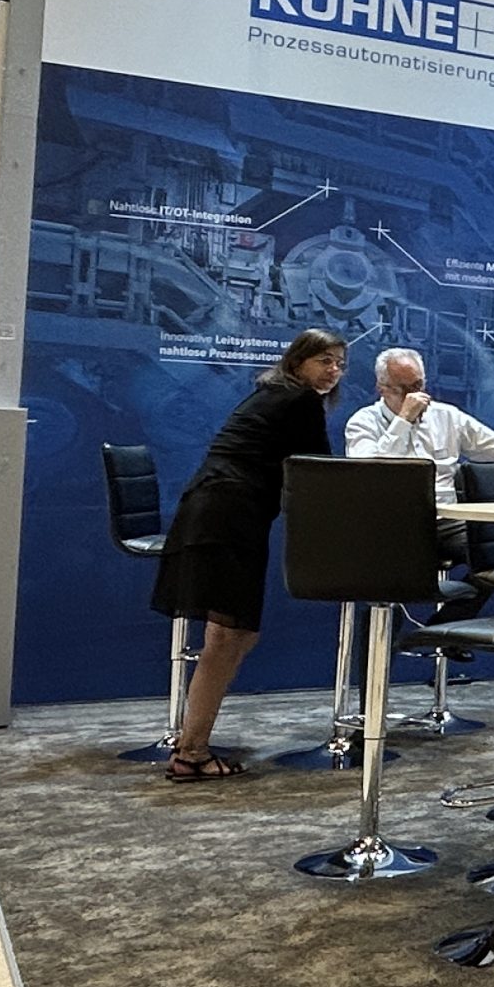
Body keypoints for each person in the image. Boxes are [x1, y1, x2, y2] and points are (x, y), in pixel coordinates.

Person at [148, 329, 348, 781]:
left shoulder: (273, 394)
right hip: (228, 515)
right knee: (228, 635)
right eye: (325, 361)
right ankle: (191, 753)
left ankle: (191, 744)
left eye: (340, 364)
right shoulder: (299, 400)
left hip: (220, 509)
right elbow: (317, 471)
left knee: (235, 635)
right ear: (297, 361)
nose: (334, 371)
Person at [343, 347, 494, 623]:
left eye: (419, 385)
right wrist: (403, 421)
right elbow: (371, 475)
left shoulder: (447, 416)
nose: (415, 395)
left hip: (447, 522)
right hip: (390, 525)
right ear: (382, 388)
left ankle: (444, 626)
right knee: (384, 582)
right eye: (405, 389)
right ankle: (378, 640)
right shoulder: (362, 422)